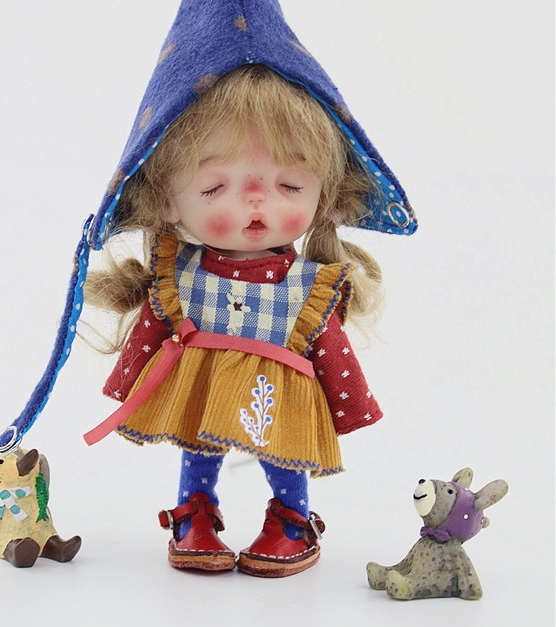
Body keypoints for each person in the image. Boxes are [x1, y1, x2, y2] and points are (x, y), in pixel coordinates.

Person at [83, 65, 389, 576]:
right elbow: (154, 326)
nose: (255, 200)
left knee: (283, 450)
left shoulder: (309, 287)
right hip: (201, 381)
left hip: (277, 390)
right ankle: (194, 512)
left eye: (289, 184)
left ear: (326, 196)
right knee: (198, 443)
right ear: (166, 199)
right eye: (213, 187)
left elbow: (333, 351)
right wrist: (130, 381)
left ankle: (292, 518)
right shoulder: (177, 275)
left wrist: (349, 405)